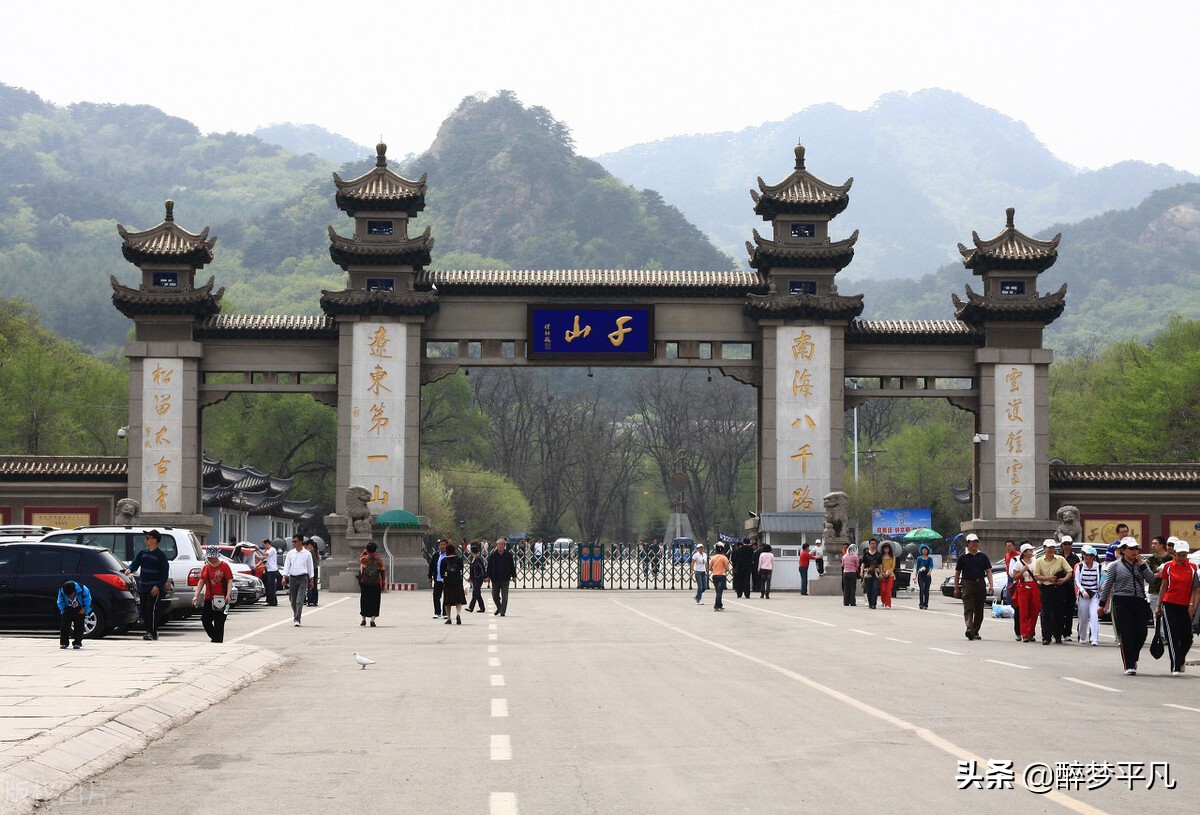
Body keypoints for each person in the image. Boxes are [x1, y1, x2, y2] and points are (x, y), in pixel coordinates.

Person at [1098, 537, 1155, 675]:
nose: (1135, 551)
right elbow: (1108, 585)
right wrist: (1101, 604)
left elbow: (1151, 579)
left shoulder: (1141, 564)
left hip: (1139, 601)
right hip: (1121, 601)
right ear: (1123, 550)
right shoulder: (1115, 566)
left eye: (1136, 548)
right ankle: (1129, 664)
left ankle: (1133, 656)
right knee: (1126, 633)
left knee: (1141, 633)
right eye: (1131, 549)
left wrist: (1141, 563)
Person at [1156, 540, 1200, 675]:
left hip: (1185, 605)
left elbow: (1195, 589)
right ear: (1175, 553)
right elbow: (1164, 587)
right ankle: (1175, 666)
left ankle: (1180, 659)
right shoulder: (1168, 566)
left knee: (1187, 637)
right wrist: (1159, 606)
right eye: (1179, 555)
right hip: (1169, 604)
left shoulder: (1193, 568)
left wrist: (1192, 605)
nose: (1182, 558)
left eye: (1184, 555)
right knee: (1172, 635)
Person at [125, 529, 171, 641]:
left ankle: (153, 632)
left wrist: (158, 586)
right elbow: (135, 564)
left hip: (154, 588)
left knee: (151, 609)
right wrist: (129, 569)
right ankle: (149, 631)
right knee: (144, 611)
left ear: (155, 540)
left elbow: (164, 573)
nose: (146, 540)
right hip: (143, 587)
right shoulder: (143, 553)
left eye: (148, 538)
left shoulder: (161, 556)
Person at [953, 533, 993, 640]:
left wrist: (991, 585)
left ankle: (975, 631)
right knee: (968, 607)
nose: (975, 544)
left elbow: (988, 571)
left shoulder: (983, 556)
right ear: (968, 543)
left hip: (980, 583)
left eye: (977, 542)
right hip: (967, 584)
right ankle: (969, 628)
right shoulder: (963, 557)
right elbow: (957, 573)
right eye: (973, 542)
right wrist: (956, 587)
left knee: (979, 610)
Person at [1033, 539, 1071, 644]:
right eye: (1049, 548)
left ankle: (1058, 635)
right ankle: (1046, 637)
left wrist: (1064, 579)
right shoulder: (1039, 561)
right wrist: (1048, 578)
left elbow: (1069, 571)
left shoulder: (1060, 559)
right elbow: (1036, 575)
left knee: (1059, 612)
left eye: (1053, 548)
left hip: (1058, 589)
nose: (1051, 550)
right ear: (1044, 548)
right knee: (1046, 613)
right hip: (1046, 589)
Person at [192, 546, 233, 643]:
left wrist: (228, 594)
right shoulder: (206, 567)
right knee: (205, 620)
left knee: (219, 622)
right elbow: (201, 582)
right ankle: (216, 638)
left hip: (221, 598)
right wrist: (196, 596)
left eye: (212, 557)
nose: (210, 559)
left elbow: (229, 580)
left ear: (216, 556)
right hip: (209, 598)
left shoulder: (224, 566)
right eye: (209, 557)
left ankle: (217, 641)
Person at [1009, 543, 1041, 642]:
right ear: (1024, 552)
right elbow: (1014, 577)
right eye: (1029, 551)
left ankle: (1031, 631)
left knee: (1035, 610)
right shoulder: (1019, 563)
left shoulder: (1035, 562)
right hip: (1023, 587)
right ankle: (1025, 634)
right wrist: (1022, 571)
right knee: (1023, 611)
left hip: (1034, 586)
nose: (1032, 552)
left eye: (1032, 550)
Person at [281, 534, 314, 626]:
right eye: (293, 542)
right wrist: (284, 576)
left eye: (295, 541)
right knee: (292, 600)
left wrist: (311, 579)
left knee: (299, 600)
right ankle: (296, 614)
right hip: (292, 578)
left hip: (303, 578)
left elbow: (310, 567)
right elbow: (287, 565)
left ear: (300, 542)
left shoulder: (307, 554)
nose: (294, 543)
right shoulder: (290, 553)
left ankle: (297, 619)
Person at [1073, 544, 1103, 646]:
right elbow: (1076, 581)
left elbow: (1102, 580)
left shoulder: (1098, 567)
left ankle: (1094, 638)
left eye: (1088, 555)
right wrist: (1082, 591)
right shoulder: (1080, 566)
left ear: (1093, 556)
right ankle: (1082, 637)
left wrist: (1101, 587)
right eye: (1084, 554)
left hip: (1094, 595)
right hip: (1083, 596)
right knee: (1083, 617)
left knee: (1094, 616)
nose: (1086, 557)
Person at [57, 580, 92, 649]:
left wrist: (84, 608)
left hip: (80, 608)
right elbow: (60, 601)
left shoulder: (83, 589)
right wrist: (64, 610)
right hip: (68, 608)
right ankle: (64, 643)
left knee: (79, 626)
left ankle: (77, 642)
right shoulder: (62, 591)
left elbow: (88, 599)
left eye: (71, 594)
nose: (70, 595)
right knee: (65, 626)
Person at [486, 538, 517, 616]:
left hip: (505, 578)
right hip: (495, 578)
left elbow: (512, 566)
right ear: (497, 545)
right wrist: (488, 576)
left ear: (504, 545)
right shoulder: (492, 556)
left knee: (504, 596)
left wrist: (514, 576)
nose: (500, 546)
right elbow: (489, 567)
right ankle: (499, 607)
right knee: (494, 595)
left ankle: (502, 611)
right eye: (498, 544)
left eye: (502, 544)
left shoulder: (508, 555)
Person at [358, 541, 385, 627]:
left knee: (364, 600)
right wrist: (383, 582)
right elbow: (382, 570)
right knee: (375, 601)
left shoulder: (364, 559)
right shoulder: (378, 559)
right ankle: (373, 619)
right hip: (375, 582)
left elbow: (359, 559)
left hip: (365, 582)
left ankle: (363, 619)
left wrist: (364, 552)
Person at [1058, 537, 1079, 641]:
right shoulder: (1057, 556)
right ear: (1062, 545)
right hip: (1058, 586)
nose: (1067, 546)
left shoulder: (1075, 557)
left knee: (1069, 610)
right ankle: (1058, 630)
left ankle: (1067, 633)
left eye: (1069, 544)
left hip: (1070, 586)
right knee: (1058, 610)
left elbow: (1077, 572)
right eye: (1065, 544)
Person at [440, 542, 466, 625]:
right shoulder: (458, 560)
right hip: (457, 582)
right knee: (458, 600)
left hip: (448, 583)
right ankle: (458, 614)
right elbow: (461, 571)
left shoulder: (444, 560)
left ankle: (449, 618)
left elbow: (441, 573)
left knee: (447, 601)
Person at [1146, 536, 1172, 615]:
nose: (1153, 545)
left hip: (1168, 591)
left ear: (1162, 545)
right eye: (1152, 544)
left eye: (1155, 543)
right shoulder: (1150, 560)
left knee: (1167, 616)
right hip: (1154, 591)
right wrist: (1157, 575)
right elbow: (1147, 576)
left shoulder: (1171, 558)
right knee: (1156, 616)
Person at [1003, 540, 1022, 639]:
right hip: (1009, 577)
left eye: (1010, 546)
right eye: (1007, 546)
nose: (1008, 548)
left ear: (1014, 547)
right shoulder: (1007, 556)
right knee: (1009, 595)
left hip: (1016, 578)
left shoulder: (1017, 556)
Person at [859, 538, 882, 609]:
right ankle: (870, 603)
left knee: (875, 588)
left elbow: (880, 564)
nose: (873, 545)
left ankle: (874, 603)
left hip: (875, 573)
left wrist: (881, 573)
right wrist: (861, 571)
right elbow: (863, 563)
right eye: (871, 543)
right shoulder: (866, 554)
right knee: (868, 589)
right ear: (869, 544)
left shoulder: (878, 554)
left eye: (874, 543)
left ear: (876, 544)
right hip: (867, 572)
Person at [428, 539, 447, 619]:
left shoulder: (449, 555)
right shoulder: (436, 555)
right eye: (441, 545)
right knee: (436, 596)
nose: (442, 546)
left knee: (446, 597)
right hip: (437, 579)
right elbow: (432, 566)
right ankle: (437, 612)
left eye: (444, 545)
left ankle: (445, 613)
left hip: (446, 580)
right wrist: (430, 576)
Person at [467, 543, 488, 613]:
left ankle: (471, 607)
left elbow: (482, 568)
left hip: (478, 578)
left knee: (475, 593)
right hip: (475, 578)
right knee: (477, 593)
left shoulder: (478, 559)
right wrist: (471, 577)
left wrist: (484, 577)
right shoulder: (474, 559)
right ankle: (482, 607)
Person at [710, 543, 730, 611]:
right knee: (719, 592)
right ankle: (716, 605)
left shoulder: (713, 558)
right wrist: (724, 570)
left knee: (717, 591)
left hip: (715, 576)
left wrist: (714, 570)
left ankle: (720, 605)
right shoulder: (724, 558)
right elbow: (727, 568)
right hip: (722, 576)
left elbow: (710, 568)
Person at [260, 539, 280, 606]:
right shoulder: (267, 550)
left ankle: (272, 601)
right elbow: (263, 558)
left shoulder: (272, 549)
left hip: (272, 570)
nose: (263, 546)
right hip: (268, 570)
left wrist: (257, 549)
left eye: (264, 545)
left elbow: (264, 554)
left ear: (267, 543)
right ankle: (273, 600)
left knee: (271, 586)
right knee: (268, 586)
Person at [914, 544, 934, 609]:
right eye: (923, 550)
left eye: (926, 550)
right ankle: (921, 603)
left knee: (926, 590)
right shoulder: (919, 559)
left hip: (927, 575)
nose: (924, 551)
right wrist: (915, 576)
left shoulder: (930, 559)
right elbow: (917, 567)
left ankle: (926, 604)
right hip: (921, 574)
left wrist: (929, 572)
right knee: (922, 589)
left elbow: (931, 566)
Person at [304, 539, 322, 606]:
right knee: (314, 585)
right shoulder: (315, 551)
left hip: (311, 569)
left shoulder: (310, 552)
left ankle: (310, 600)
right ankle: (314, 600)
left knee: (310, 585)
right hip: (315, 569)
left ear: (309, 545)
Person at [878, 542, 896, 608]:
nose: (886, 550)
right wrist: (882, 572)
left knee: (888, 590)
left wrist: (888, 572)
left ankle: (888, 603)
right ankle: (883, 601)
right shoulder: (880, 556)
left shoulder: (892, 556)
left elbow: (893, 566)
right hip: (882, 574)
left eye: (887, 548)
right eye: (885, 548)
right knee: (883, 590)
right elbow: (880, 565)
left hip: (890, 575)